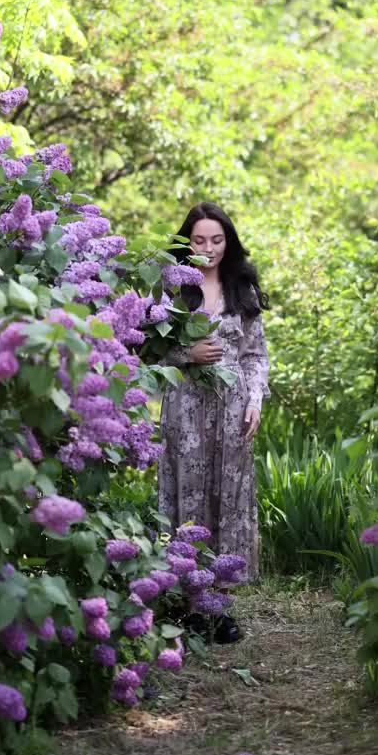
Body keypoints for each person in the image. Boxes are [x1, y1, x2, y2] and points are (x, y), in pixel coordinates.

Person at [158, 202, 270, 636]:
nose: (209, 249)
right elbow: (147, 350)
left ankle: (218, 605)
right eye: (200, 240)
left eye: (217, 240)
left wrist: (255, 401)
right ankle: (185, 601)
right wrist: (187, 354)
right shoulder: (171, 285)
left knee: (228, 497)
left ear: (229, 241)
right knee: (187, 495)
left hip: (233, 407)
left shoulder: (242, 286)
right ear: (187, 242)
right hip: (185, 406)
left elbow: (257, 355)